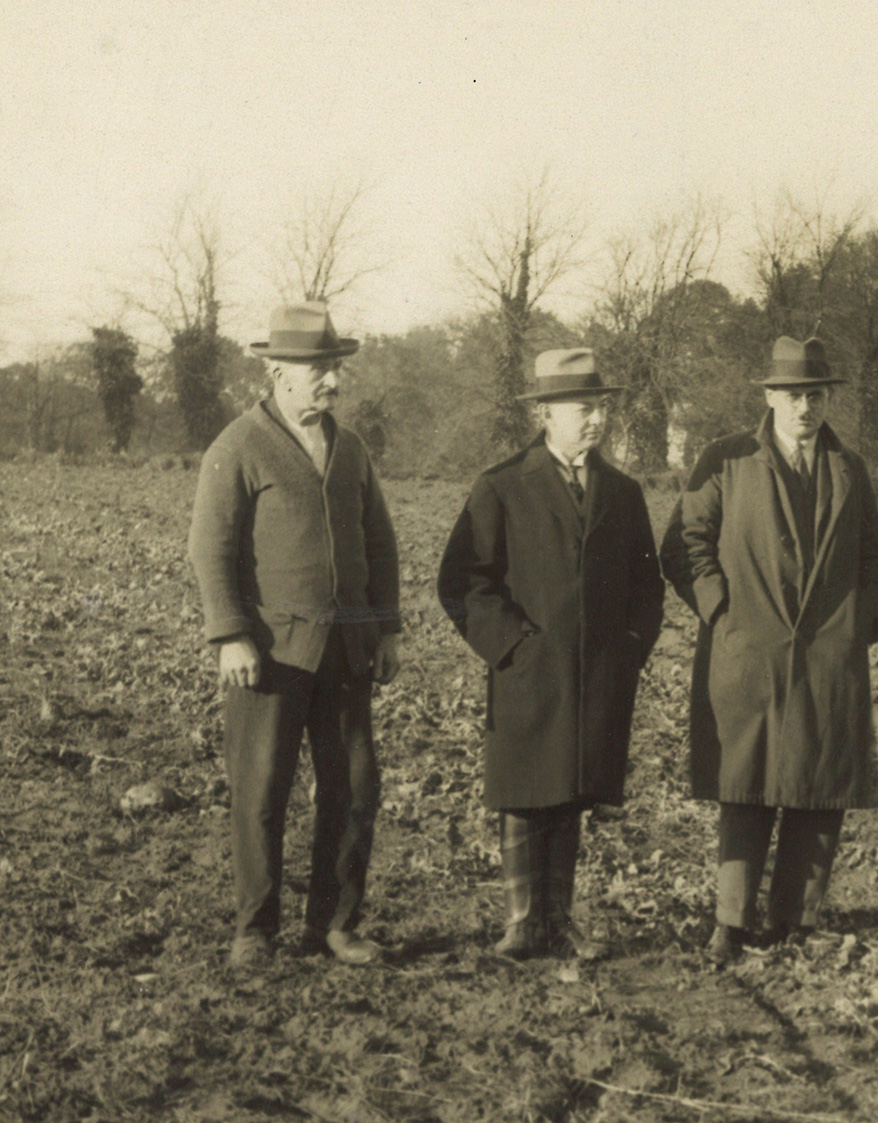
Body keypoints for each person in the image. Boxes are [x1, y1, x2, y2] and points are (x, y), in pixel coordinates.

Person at [662, 337, 878, 965]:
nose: (804, 408)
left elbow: (876, 553)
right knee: (746, 784)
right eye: (792, 395)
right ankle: (730, 923)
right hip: (748, 654)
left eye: (815, 395)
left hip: (829, 653)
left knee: (819, 788)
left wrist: (865, 621)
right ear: (769, 397)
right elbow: (685, 544)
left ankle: (796, 919)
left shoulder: (850, 467)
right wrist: (722, 612)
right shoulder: (727, 458)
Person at [187, 301, 400, 968]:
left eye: (335, 368)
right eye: (317, 370)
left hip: (347, 649)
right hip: (269, 653)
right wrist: (229, 635)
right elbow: (210, 549)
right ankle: (256, 928)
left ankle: (334, 925)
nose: (332, 382)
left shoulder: (351, 449)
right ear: (278, 372)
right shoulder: (238, 446)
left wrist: (387, 630)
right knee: (262, 789)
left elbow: (380, 545)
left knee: (356, 787)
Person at [437, 349, 665, 960]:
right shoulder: (503, 486)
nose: (597, 421)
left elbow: (649, 587)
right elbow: (462, 582)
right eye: (584, 409)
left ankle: (560, 921)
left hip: (596, 676)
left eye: (600, 409)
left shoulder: (623, 492)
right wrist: (512, 644)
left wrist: (629, 651)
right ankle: (520, 923)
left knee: (571, 792)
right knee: (523, 789)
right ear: (545, 413)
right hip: (526, 672)